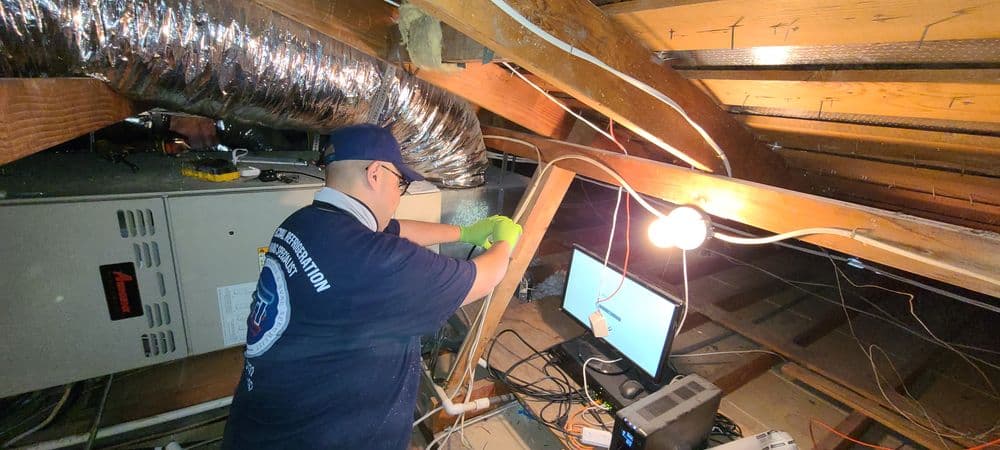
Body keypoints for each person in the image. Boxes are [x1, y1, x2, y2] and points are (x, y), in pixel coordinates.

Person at [221, 124, 522, 449]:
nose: (398, 195)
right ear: (376, 174)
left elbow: (395, 229)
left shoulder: (306, 222)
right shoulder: (372, 262)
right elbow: (482, 277)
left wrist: (465, 233)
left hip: (263, 425)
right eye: (401, 183)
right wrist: (504, 244)